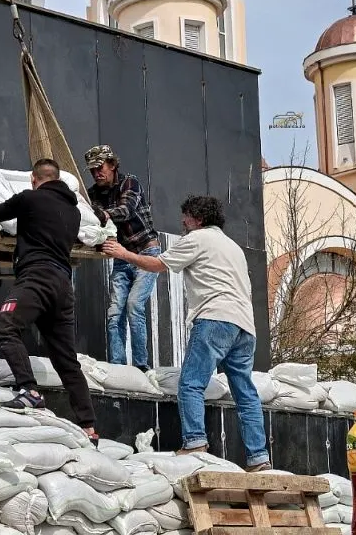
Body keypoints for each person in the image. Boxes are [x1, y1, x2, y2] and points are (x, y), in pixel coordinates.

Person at [101, 195, 270, 471]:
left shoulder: (197, 239)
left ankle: (195, 442)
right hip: (244, 326)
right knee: (245, 393)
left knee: (191, 383)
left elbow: (157, 265)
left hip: (215, 319)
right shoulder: (232, 247)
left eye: (186, 217)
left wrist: (123, 254)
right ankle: (258, 457)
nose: (183, 222)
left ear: (199, 219)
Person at [0, 158, 99, 444]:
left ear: (34, 179)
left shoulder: (30, 199)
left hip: (36, 279)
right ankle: (89, 427)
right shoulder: (74, 213)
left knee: (6, 329)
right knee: (66, 360)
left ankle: (29, 391)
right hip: (62, 285)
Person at [83, 145, 162, 371]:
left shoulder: (130, 182)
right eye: (92, 170)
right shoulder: (94, 194)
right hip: (121, 256)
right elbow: (92, 218)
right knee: (115, 311)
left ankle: (140, 366)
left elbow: (126, 210)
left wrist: (104, 214)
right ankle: (118, 365)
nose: (97, 173)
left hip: (146, 253)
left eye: (100, 167)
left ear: (113, 165)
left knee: (134, 305)